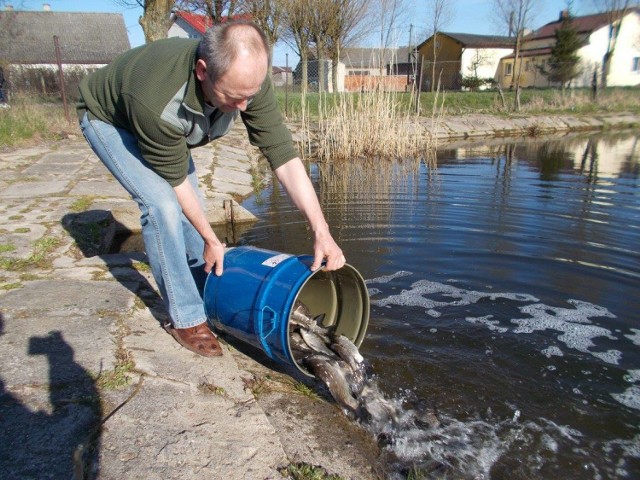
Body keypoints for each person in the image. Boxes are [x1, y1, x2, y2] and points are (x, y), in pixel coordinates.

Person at [77, 20, 345, 357]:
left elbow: (283, 157)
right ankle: (186, 317)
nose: (245, 107)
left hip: (161, 127)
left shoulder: (247, 79)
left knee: (193, 213)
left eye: (250, 95)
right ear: (203, 71)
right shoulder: (159, 101)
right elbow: (173, 184)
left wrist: (321, 230)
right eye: (234, 98)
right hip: (110, 120)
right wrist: (211, 239)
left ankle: (202, 286)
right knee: (161, 207)